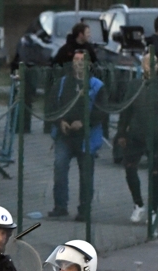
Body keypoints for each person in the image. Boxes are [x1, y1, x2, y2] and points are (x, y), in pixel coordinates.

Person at [116, 51, 158, 224]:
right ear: (142, 66)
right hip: (135, 134)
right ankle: (138, 204)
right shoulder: (134, 85)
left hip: (157, 136)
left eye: (155, 63)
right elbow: (126, 111)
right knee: (130, 169)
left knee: (154, 174)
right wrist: (121, 132)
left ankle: (153, 210)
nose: (151, 67)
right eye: (147, 63)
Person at [47, 49, 108, 221]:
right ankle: (60, 206)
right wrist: (60, 122)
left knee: (86, 174)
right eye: (76, 59)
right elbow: (51, 106)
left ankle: (84, 209)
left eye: (83, 59)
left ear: (89, 63)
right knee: (59, 168)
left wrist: (85, 122)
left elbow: (102, 112)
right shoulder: (62, 83)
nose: (79, 62)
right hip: (64, 135)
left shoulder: (97, 86)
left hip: (86, 138)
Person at [10, 21, 53, 134]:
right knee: (23, 99)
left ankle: (23, 126)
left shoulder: (31, 41)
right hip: (26, 69)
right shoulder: (29, 41)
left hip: (30, 69)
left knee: (26, 99)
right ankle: (21, 126)